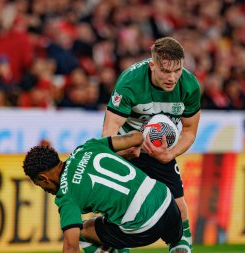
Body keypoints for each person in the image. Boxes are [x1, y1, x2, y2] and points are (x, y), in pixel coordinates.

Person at [102, 37, 201, 253]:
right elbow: (109, 131)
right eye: (166, 71)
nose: (172, 77)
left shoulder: (190, 85)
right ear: (152, 65)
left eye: (177, 70)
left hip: (161, 151)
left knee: (179, 207)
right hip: (128, 150)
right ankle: (108, 242)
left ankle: (180, 246)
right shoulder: (130, 82)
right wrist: (122, 151)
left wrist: (170, 154)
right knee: (117, 208)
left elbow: (190, 131)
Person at [22, 131, 184, 253]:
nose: (46, 190)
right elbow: (136, 137)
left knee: (83, 232)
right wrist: (130, 152)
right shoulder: (87, 147)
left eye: (41, 186)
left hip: (145, 227)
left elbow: (71, 247)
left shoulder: (66, 195)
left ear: (44, 178)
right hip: (166, 200)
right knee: (177, 243)